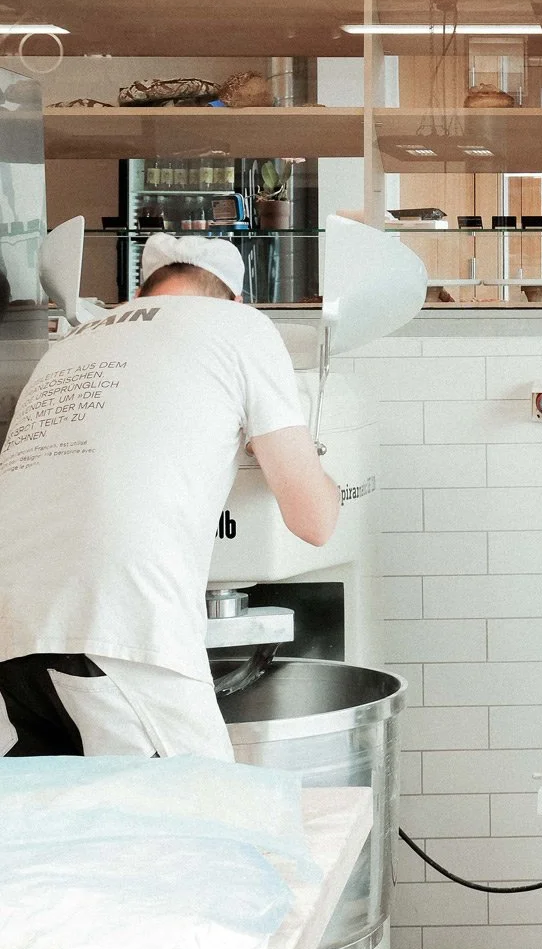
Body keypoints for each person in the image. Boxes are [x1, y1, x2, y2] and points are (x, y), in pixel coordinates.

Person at [0, 231, 340, 758]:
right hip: (119, 627)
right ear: (235, 297)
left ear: (141, 295)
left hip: (14, 626)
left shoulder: (72, 344)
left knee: (69, 829)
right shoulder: (241, 327)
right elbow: (313, 521)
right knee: (195, 822)